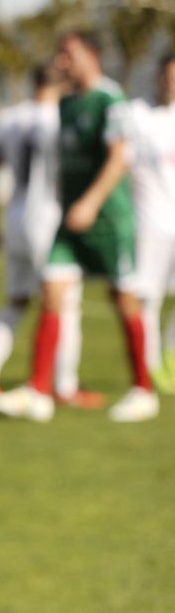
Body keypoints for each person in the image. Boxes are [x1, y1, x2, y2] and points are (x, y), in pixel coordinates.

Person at [0, 31, 159, 422]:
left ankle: (143, 390)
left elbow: (120, 158)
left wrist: (91, 202)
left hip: (108, 221)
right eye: (60, 53)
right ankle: (38, 392)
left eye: (69, 54)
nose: (62, 61)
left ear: (92, 55)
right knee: (51, 291)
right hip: (70, 223)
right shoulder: (65, 104)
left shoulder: (110, 100)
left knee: (124, 301)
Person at [0, 64, 95, 404]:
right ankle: (64, 386)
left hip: (16, 214)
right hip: (48, 216)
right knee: (65, 301)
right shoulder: (57, 118)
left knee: (16, 301)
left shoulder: (9, 118)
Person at [115, 53, 175, 392]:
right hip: (149, 222)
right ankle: (148, 369)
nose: (172, 83)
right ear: (157, 77)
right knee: (148, 298)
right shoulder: (136, 115)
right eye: (168, 76)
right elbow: (120, 164)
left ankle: (170, 356)